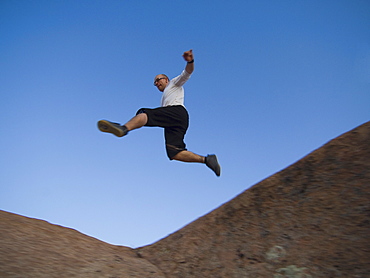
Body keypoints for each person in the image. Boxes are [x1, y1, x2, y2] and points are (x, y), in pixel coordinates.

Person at [97, 50, 221, 176]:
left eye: (158, 80)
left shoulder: (174, 83)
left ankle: (123, 128)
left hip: (177, 112)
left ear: (166, 79)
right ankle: (206, 160)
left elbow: (188, 72)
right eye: (155, 83)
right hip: (177, 120)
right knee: (174, 152)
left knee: (144, 112)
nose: (156, 84)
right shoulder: (165, 96)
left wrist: (190, 61)